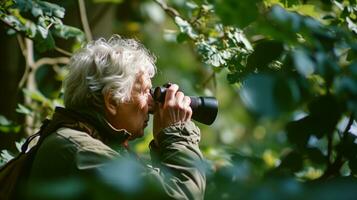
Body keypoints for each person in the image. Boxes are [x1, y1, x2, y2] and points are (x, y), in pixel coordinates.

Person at [24, 35, 206, 199]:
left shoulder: (90, 145)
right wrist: (177, 133)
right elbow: (180, 195)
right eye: (144, 92)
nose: (152, 104)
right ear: (112, 101)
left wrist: (164, 143)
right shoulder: (79, 150)